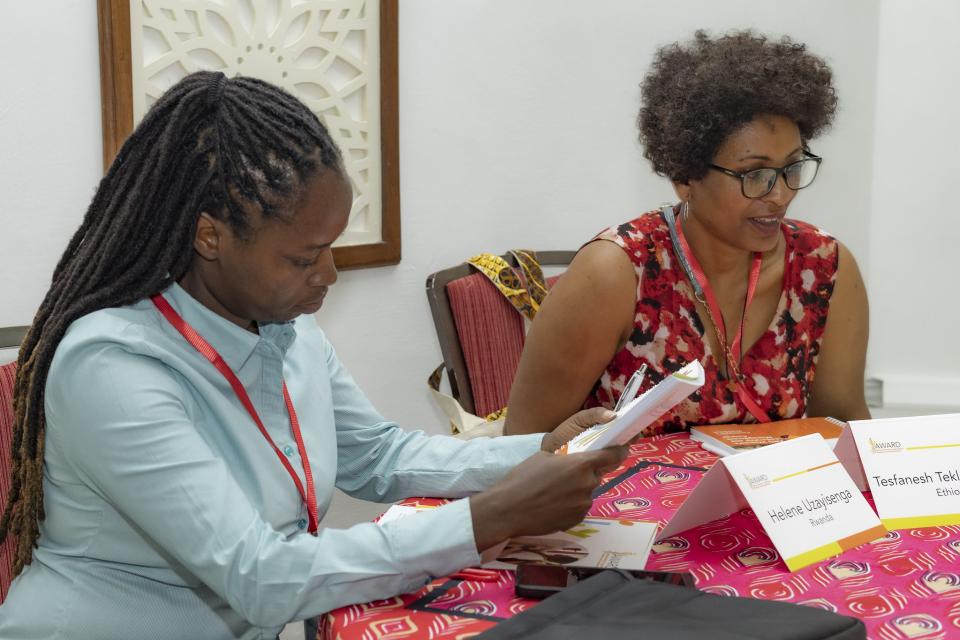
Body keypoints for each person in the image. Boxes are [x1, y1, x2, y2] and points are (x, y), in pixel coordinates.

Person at [0, 71, 625, 639]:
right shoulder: (112, 366)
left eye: (330, 248)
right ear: (210, 235)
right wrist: (490, 517)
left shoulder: (284, 326)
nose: (328, 275)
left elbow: (376, 454)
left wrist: (539, 451)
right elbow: (262, 576)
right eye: (303, 257)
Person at [504, 30, 870, 438]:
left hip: (771, 500)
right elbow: (525, 447)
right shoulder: (617, 272)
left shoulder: (823, 266)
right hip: (624, 500)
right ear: (684, 177)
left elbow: (843, 427)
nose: (780, 193)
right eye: (754, 174)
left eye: (792, 167)